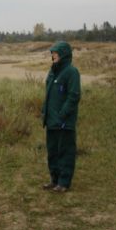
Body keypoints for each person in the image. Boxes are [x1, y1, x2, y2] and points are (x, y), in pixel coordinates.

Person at [41, 41, 81, 193]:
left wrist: (62, 114)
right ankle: (55, 180)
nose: (53, 55)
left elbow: (74, 96)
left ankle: (64, 183)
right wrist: (45, 111)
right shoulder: (53, 71)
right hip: (51, 121)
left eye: (55, 53)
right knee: (52, 152)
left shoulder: (72, 72)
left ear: (64, 54)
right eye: (52, 53)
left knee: (65, 152)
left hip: (64, 122)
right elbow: (49, 94)